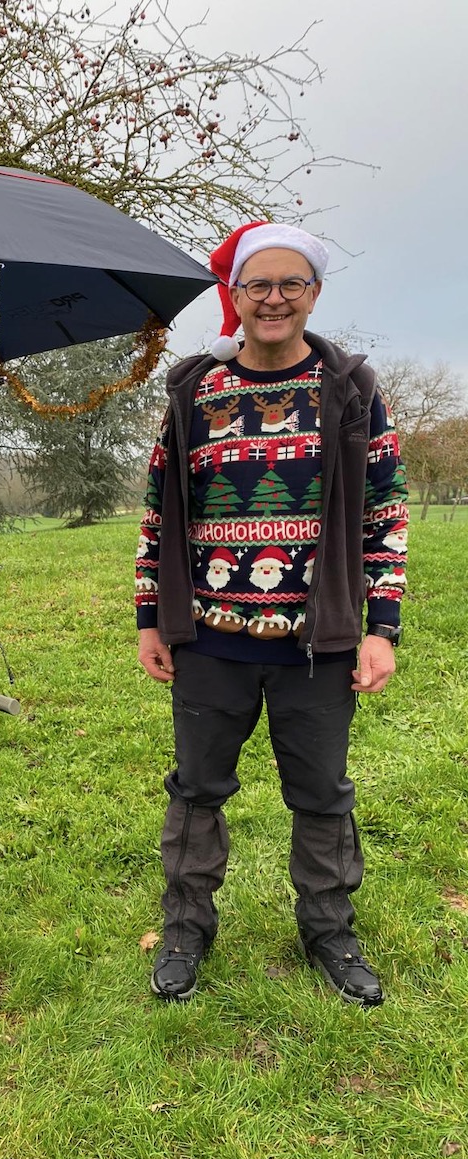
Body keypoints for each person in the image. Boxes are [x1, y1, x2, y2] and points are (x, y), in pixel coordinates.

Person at [135, 222, 408, 1007]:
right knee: (197, 790)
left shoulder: (351, 390)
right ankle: (186, 929)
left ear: (314, 293)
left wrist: (382, 628)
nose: (275, 298)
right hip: (210, 641)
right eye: (258, 284)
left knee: (322, 794)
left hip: (318, 644)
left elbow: (385, 514)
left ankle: (329, 931)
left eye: (292, 283)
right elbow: (158, 511)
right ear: (237, 294)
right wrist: (150, 618)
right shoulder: (194, 391)